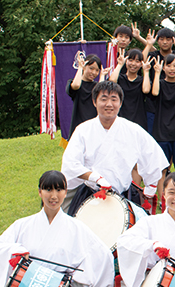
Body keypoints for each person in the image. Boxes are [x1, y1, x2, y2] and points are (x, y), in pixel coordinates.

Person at [61, 81, 169, 214]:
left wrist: (150, 187)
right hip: (90, 194)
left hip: (122, 195)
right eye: (103, 99)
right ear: (94, 102)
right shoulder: (83, 130)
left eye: (114, 99)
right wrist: (96, 177)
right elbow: (70, 164)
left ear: (120, 103)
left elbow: (153, 156)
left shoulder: (133, 130)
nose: (109, 104)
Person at [149, 54, 175, 208]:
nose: (172, 69)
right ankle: (162, 200)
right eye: (169, 65)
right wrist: (157, 72)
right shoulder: (158, 83)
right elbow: (154, 93)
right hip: (161, 132)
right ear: (163, 67)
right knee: (162, 170)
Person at [108, 48, 150, 130]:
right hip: (120, 119)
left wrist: (146, 71)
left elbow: (146, 90)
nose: (133, 64)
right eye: (130, 60)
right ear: (126, 61)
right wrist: (120, 64)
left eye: (137, 61)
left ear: (141, 64)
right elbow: (112, 82)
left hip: (138, 120)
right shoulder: (120, 78)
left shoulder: (142, 80)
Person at [67, 53, 107, 138]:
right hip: (78, 126)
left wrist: (102, 75)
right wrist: (80, 67)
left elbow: (101, 93)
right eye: (91, 68)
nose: (93, 72)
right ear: (85, 67)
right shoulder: (74, 82)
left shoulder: (96, 85)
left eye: (97, 70)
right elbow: (76, 85)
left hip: (95, 128)